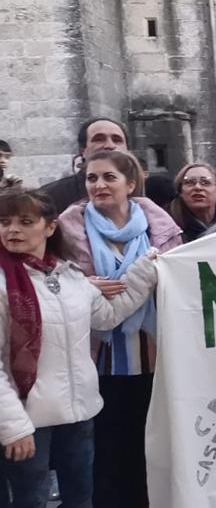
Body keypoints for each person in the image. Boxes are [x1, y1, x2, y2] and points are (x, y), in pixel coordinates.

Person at [0, 190, 162, 508]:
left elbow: (106, 317)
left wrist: (143, 273)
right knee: (29, 501)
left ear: (50, 227)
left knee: (80, 498)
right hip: (29, 420)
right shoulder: (4, 285)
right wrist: (13, 426)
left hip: (79, 415)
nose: (12, 229)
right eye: (4, 222)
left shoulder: (70, 276)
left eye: (25, 221)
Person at [54, 150, 181, 508]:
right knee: (108, 451)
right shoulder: (68, 229)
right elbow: (53, 278)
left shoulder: (162, 228)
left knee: (151, 446)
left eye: (109, 177)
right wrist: (83, 285)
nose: (99, 185)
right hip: (98, 357)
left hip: (156, 357)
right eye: (92, 178)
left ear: (130, 183)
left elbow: (187, 274)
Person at [40, 118, 161, 213]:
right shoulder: (50, 197)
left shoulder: (156, 194)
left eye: (117, 139)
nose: (109, 145)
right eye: (99, 139)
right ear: (83, 150)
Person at [166, 163, 216, 243]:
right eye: (190, 182)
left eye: (205, 182)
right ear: (180, 191)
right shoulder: (167, 224)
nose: (197, 187)